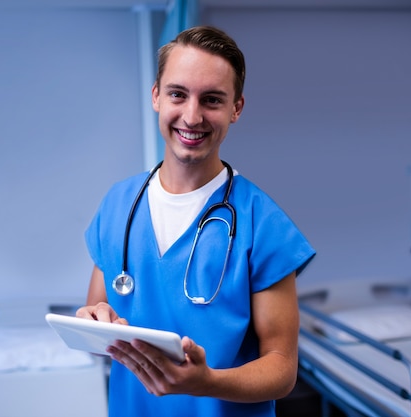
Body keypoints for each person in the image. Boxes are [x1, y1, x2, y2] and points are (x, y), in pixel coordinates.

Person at [77, 25, 315, 417]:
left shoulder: (261, 221)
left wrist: (208, 384)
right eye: (177, 94)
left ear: (236, 109)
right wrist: (93, 321)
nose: (192, 116)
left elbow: (282, 368)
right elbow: (98, 315)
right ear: (156, 96)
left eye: (212, 100)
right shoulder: (118, 205)